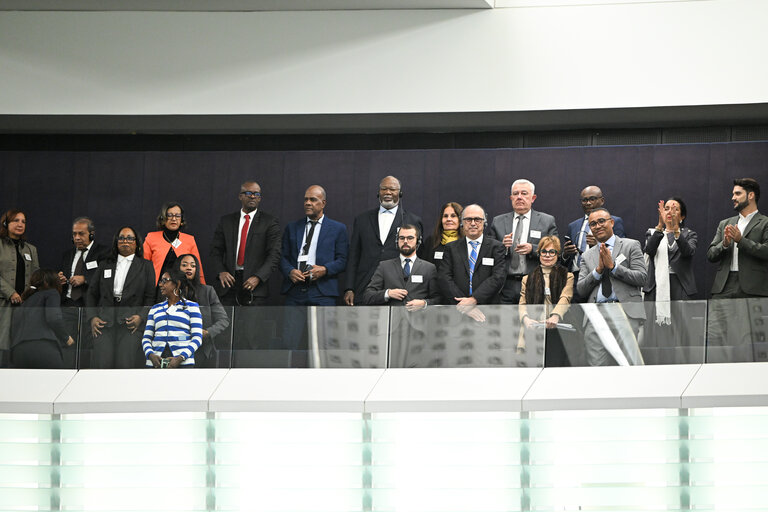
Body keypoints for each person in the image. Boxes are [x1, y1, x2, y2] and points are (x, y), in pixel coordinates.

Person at [706, 178, 768, 361]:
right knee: (715, 336)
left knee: (747, 340)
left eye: (737, 193)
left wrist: (742, 241)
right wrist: (724, 245)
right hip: (723, 287)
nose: (733, 197)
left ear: (751, 195)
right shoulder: (725, 223)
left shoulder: (764, 222)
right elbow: (710, 254)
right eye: (733, 193)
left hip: (751, 289)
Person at [577, 208, 647, 366]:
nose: (597, 226)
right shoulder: (587, 255)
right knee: (596, 367)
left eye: (601, 221)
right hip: (596, 315)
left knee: (628, 364)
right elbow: (581, 289)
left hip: (624, 311)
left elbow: (642, 278)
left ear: (611, 222)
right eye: (593, 224)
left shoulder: (630, 245)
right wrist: (598, 271)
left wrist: (614, 267)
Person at [344, 176, 423, 306]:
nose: (387, 192)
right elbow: (353, 256)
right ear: (378, 192)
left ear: (400, 193)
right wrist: (349, 288)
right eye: (384, 189)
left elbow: (418, 258)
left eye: (392, 189)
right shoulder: (362, 220)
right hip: (365, 287)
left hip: (400, 289)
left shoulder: (412, 220)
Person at [86, 226, 156, 368]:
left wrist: (141, 317)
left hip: (131, 324)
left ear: (137, 243)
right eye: (122, 238)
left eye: (130, 238)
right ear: (116, 242)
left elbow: (150, 297)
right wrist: (92, 317)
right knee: (102, 365)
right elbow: (92, 293)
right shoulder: (105, 264)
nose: (125, 241)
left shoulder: (146, 266)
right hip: (104, 323)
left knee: (125, 364)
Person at [210, 181, 281, 306]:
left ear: (260, 198)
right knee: (227, 324)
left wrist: (258, 277)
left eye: (256, 194)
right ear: (240, 196)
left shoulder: (269, 222)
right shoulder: (226, 221)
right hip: (228, 285)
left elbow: (274, 255)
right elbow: (215, 251)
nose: (252, 196)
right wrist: (221, 271)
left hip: (255, 287)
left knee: (252, 326)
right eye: (248, 193)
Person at [489, 179, 558, 304]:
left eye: (524, 193)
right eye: (515, 194)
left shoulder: (547, 221)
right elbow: (488, 254)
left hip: (534, 283)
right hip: (505, 286)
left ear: (533, 198)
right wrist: (502, 247)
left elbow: (556, 251)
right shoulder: (498, 222)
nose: (519, 197)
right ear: (511, 198)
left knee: (532, 322)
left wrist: (533, 249)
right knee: (506, 322)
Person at [280, 185, 349, 306]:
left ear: (323, 203)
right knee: (291, 326)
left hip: (323, 292)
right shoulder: (292, 227)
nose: (307, 203)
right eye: (305, 199)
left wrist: (325, 270)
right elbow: (281, 257)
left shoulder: (338, 228)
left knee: (322, 326)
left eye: (312, 199)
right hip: (294, 291)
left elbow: (343, 260)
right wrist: (290, 271)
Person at [562, 185, 626, 301]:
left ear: (602, 201)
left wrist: (597, 245)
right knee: (577, 315)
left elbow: (621, 251)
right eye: (584, 200)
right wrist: (566, 254)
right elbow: (566, 260)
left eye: (592, 199)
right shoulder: (573, 226)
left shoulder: (614, 221)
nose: (588, 203)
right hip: (578, 277)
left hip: (603, 275)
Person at [438, 204, 506, 310]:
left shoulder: (496, 247)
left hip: (486, 309)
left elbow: (498, 278)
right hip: (457, 309)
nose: (473, 223)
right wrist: (463, 304)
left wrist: (475, 299)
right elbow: (445, 277)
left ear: (485, 222)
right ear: (461, 222)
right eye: (468, 219)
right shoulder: (451, 248)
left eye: (478, 219)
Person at [519, 236, 574, 367]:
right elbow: (522, 303)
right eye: (544, 251)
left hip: (557, 329)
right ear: (539, 254)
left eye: (552, 252)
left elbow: (565, 298)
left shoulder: (567, 276)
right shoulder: (527, 279)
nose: (547, 255)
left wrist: (554, 317)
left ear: (557, 254)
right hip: (533, 328)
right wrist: (526, 319)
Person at [363, 224, 441, 308]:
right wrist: (388, 293)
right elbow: (367, 296)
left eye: (410, 238)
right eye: (402, 238)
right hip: (391, 319)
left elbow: (438, 298)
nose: (405, 241)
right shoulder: (384, 266)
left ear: (418, 241)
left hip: (419, 318)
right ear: (397, 241)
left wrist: (424, 303)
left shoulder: (429, 268)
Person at [10, 269, 74, 369]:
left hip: (18, 350)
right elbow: (53, 318)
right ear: (50, 282)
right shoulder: (52, 293)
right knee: (56, 383)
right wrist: (66, 338)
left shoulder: (25, 301)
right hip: (43, 347)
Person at [173, 253, 229, 367]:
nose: (189, 268)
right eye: (184, 265)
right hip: (173, 346)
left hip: (201, 348)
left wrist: (207, 333)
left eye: (193, 266)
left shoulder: (207, 291)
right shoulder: (169, 291)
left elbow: (223, 320)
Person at [0, 209, 39, 366]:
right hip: (3, 304)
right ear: (5, 223)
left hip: (24, 306)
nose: (20, 224)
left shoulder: (31, 249)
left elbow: (35, 276)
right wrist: (11, 293)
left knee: (19, 347)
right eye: (16, 220)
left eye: (23, 221)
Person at [143, 202, 206, 300]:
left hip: (184, 290)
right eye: (169, 215)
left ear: (181, 220)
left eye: (177, 215)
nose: (174, 219)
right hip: (157, 291)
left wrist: (203, 293)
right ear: (163, 219)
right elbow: (143, 267)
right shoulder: (151, 238)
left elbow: (198, 269)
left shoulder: (189, 240)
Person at [142, 269, 203, 368]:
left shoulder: (192, 307)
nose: (160, 284)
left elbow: (197, 338)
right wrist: (150, 355)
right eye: (160, 281)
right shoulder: (155, 308)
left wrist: (181, 357)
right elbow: (146, 338)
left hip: (183, 363)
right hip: (155, 363)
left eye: (164, 281)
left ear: (177, 284)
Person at [58, 217, 109, 307]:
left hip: (90, 306)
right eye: (74, 234)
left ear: (91, 235)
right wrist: (60, 279)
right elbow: (61, 275)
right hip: (67, 304)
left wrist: (85, 279)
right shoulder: (67, 255)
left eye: (81, 234)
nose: (77, 238)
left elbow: (106, 276)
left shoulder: (103, 252)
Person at [419, 202, 463, 268]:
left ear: (460, 219)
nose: (448, 219)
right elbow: (424, 267)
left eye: (453, 216)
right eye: (445, 216)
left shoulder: (466, 241)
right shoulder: (431, 241)